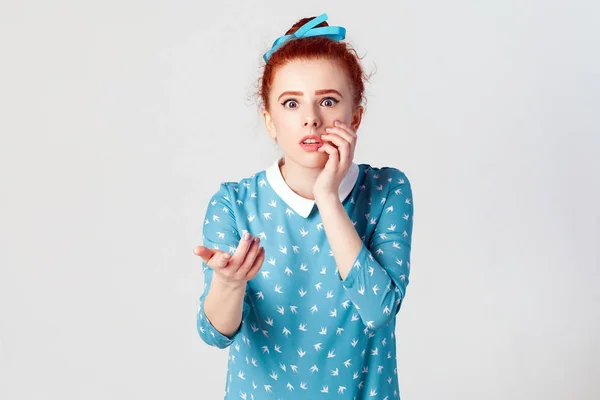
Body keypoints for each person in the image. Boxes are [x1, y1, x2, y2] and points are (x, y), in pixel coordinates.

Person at [193, 13, 415, 399]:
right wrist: (229, 283)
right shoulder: (235, 203)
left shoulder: (386, 190)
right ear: (270, 121)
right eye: (291, 103)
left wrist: (327, 197)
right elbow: (216, 333)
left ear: (355, 116)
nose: (311, 120)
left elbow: (379, 310)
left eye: (328, 101)